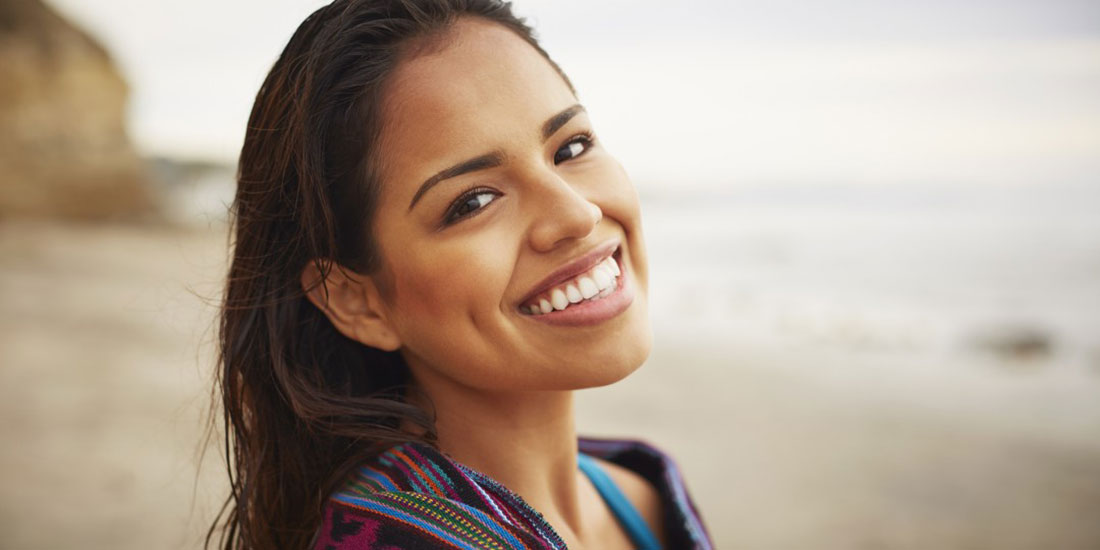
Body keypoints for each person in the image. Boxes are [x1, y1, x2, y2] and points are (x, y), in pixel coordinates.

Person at [210, 0, 713, 548]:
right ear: (356, 301)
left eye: (571, 147)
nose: (577, 214)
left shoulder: (645, 496)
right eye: (473, 201)